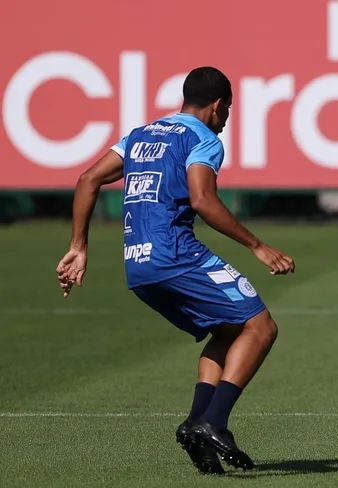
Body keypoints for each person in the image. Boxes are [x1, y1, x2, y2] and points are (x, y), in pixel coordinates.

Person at [55, 66, 295, 474]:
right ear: (217, 105)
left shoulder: (141, 135)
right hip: (177, 255)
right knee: (261, 327)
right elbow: (202, 199)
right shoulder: (202, 138)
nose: (227, 119)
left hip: (138, 265)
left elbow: (87, 179)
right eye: (228, 109)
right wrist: (258, 245)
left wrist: (79, 247)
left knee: (227, 331)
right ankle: (213, 422)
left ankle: (196, 425)